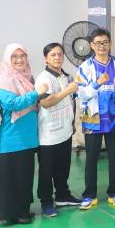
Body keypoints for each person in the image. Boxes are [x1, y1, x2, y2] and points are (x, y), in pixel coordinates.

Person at [0, 44, 48, 225]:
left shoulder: (27, 77)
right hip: (11, 137)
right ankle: (8, 214)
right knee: (10, 176)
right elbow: (12, 104)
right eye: (14, 56)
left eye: (22, 56)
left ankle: (23, 211)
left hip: (27, 136)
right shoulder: (2, 80)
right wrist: (36, 93)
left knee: (24, 175)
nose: (19, 60)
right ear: (7, 59)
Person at [75, 28, 115, 210]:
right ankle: (89, 195)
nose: (101, 46)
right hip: (93, 120)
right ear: (91, 45)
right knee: (91, 159)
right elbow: (81, 94)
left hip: (114, 119)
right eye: (98, 43)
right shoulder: (84, 67)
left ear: (110, 43)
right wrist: (97, 83)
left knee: (114, 157)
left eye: (105, 42)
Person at [35, 43, 80, 217]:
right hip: (49, 133)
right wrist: (68, 90)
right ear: (46, 58)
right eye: (53, 55)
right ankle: (46, 202)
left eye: (60, 54)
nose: (57, 58)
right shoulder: (43, 78)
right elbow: (46, 102)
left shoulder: (66, 76)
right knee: (46, 171)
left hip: (65, 130)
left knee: (63, 167)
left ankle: (62, 195)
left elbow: (71, 99)